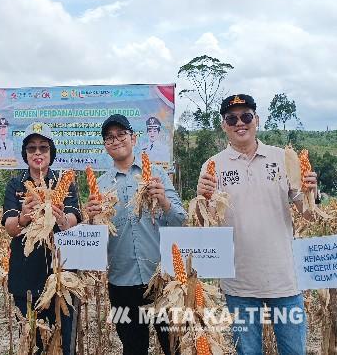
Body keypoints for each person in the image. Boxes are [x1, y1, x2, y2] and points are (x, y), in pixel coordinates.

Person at [196, 94, 318, 355]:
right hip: (238, 282)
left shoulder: (283, 158)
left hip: (284, 279)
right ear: (224, 125)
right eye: (232, 118)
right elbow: (205, 224)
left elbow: (307, 214)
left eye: (246, 116)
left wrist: (310, 192)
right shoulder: (212, 165)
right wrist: (203, 201)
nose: (240, 123)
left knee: (294, 351)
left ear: (256, 120)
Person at [84, 114, 186, 355]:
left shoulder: (158, 176)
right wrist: (91, 220)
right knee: (132, 347)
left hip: (162, 280)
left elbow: (181, 220)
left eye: (121, 134)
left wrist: (163, 201)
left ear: (134, 137)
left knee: (174, 345)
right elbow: (96, 241)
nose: (116, 140)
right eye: (109, 137)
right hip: (122, 282)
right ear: (105, 145)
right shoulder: (99, 185)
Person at [1, 122, 81, 354]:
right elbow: (10, 227)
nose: (38, 153)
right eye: (32, 148)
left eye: (43, 148)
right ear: (25, 154)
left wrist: (62, 220)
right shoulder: (15, 185)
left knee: (65, 341)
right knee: (34, 342)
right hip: (26, 275)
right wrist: (24, 218)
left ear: (51, 153)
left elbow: (74, 217)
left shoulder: (65, 184)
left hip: (61, 275)